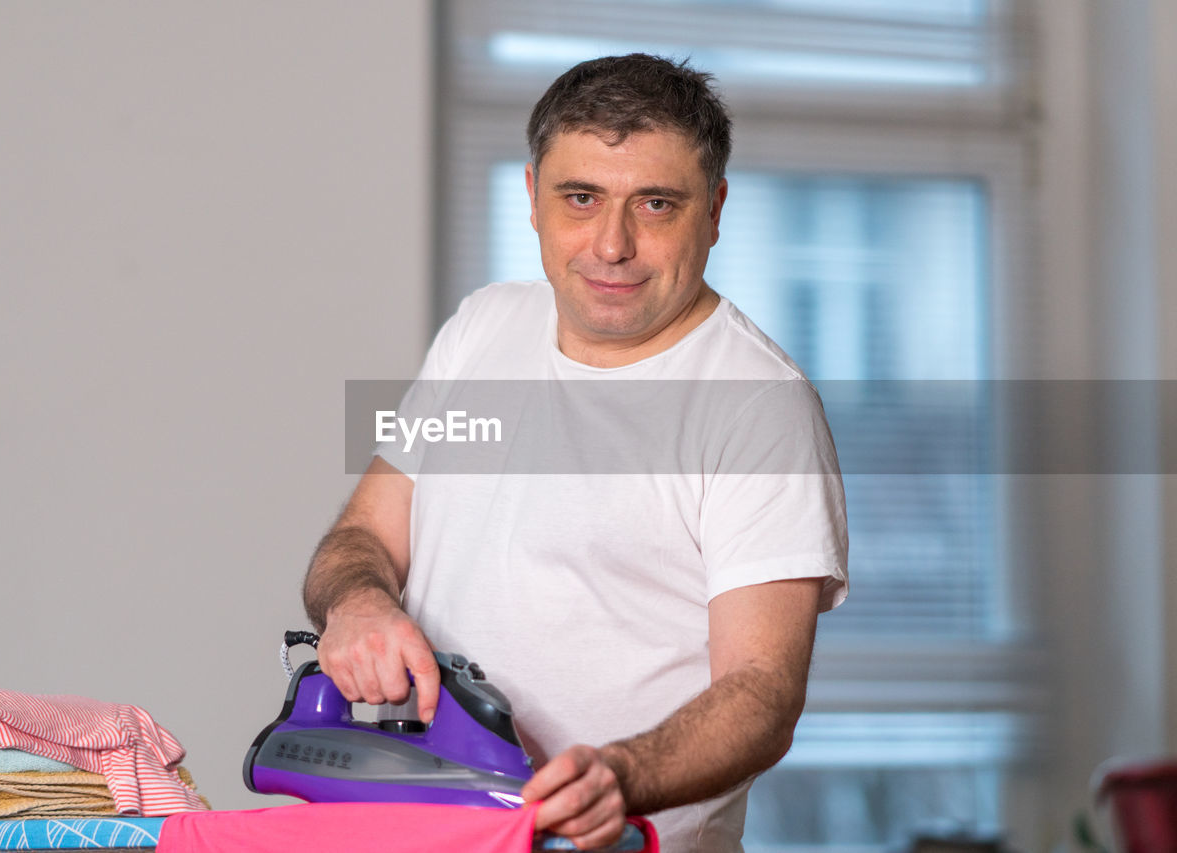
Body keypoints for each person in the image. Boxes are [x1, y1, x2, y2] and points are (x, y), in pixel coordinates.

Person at [303, 54, 848, 853]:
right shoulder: (483, 330)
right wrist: (358, 602)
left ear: (715, 210)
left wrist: (620, 774)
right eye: (581, 198)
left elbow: (761, 691)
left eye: (656, 204)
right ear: (532, 198)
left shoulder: (758, 405)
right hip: (426, 828)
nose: (612, 244)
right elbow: (364, 538)